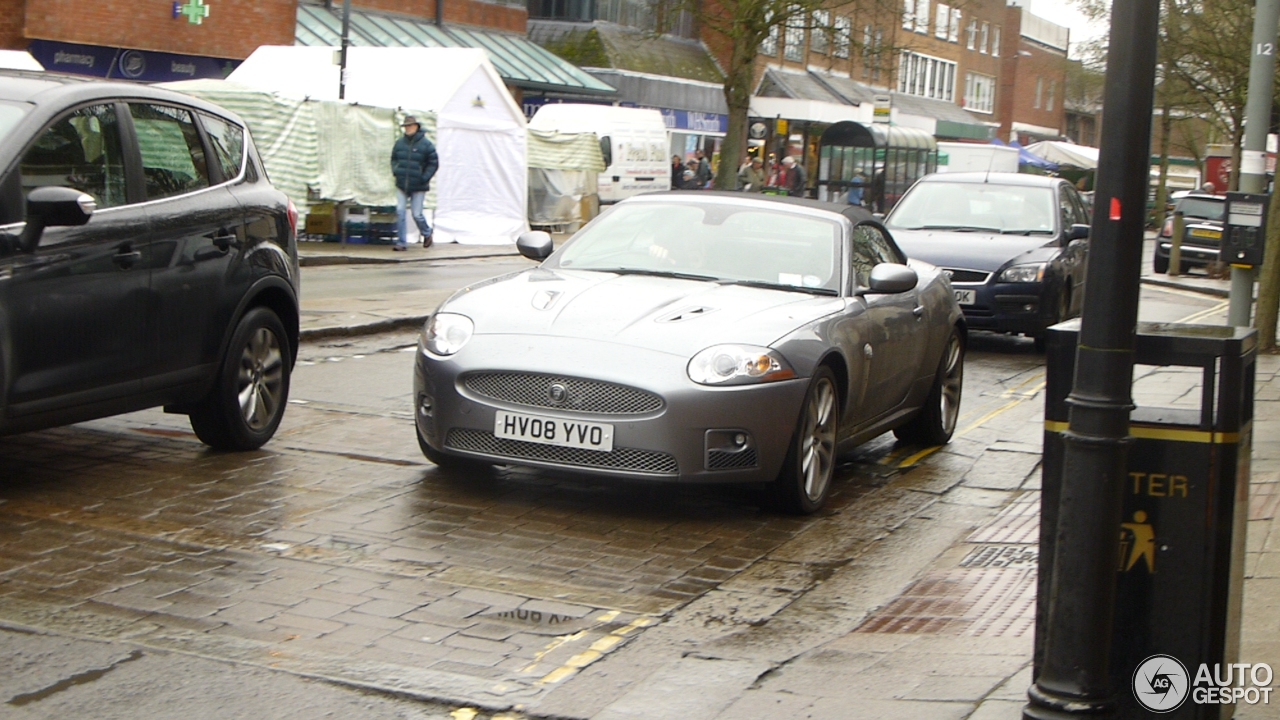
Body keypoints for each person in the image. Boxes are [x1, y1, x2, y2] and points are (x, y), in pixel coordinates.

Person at [390, 115, 438, 250]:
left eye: (410, 126)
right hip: (402, 183)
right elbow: (394, 159)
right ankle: (401, 242)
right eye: (406, 126)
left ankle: (427, 233)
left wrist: (424, 177)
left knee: (417, 214)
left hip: (419, 185)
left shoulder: (426, 145)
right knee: (400, 211)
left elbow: (433, 163)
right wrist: (396, 171)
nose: (408, 128)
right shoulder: (399, 143)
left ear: (416, 127)